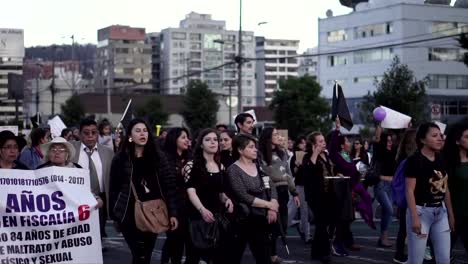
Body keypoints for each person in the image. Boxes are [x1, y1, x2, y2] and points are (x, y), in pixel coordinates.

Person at [109, 118, 179, 264]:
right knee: (138, 255)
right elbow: (113, 188)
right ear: (130, 136)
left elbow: (169, 187)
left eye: (145, 130)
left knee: (146, 256)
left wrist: (173, 213)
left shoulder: (158, 157)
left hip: (153, 212)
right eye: (138, 131)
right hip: (128, 215)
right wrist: (115, 216)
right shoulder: (120, 159)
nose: (142, 134)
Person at [405, 122, 454, 264]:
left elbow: (445, 188)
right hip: (421, 212)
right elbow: (409, 190)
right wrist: (414, 217)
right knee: (416, 260)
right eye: (434, 135)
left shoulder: (442, 159)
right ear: (422, 140)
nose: (440, 138)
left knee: (444, 259)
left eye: (440, 135)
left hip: (441, 213)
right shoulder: (414, 160)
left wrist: (450, 215)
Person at [182, 128, 233, 264]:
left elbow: (221, 193)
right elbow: (190, 191)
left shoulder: (220, 166)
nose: (213, 142)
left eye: (215, 140)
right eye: (208, 140)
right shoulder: (192, 165)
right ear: (201, 144)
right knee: (193, 257)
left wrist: (227, 200)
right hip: (196, 217)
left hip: (216, 218)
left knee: (217, 257)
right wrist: (202, 209)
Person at [227, 133, 279, 264]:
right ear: (240, 150)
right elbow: (243, 196)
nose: (255, 149)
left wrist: (273, 204)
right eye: (251, 147)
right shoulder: (233, 170)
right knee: (234, 257)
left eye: (255, 147)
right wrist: (269, 205)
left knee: (264, 258)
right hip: (242, 220)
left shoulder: (258, 166)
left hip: (260, 219)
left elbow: (270, 186)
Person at [328, 118, 375, 256]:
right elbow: (331, 147)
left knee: (348, 219)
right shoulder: (337, 155)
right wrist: (337, 129)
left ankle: (345, 242)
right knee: (344, 219)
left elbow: (353, 172)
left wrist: (361, 172)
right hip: (341, 192)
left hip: (351, 191)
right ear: (342, 145)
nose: (350, 143)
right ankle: (337, 244)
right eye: (347, 141)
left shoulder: (346, 156)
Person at [259, 127, 300, 264]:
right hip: (271, 192)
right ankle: (271, 256)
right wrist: (270, 196)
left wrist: (294, 192)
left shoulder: (282, 153)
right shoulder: (261, 154)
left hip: (284, 193)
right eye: (275, 134)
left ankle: (272, 255)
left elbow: (288, 174)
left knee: (282, 225)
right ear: (268, 137)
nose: (278, 136)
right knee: (272, 226)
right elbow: (264, 175)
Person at [71, 119, 114, 242]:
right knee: (77, 233)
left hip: (100, 200)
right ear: (79, 134)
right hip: (76, 199)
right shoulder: (71, 149)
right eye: (86, 133)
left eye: (93, 132)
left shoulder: (108, 152)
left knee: (97, 233)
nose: (90, 136)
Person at [303, 132, 338, 263]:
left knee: (322, 224)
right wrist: (315, 153)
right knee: (321, 224)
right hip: (315, 196)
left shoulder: (326, 155)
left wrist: (338, 173)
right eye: (320, 141)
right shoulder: (308, 157)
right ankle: (324, 253)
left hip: (328, 194)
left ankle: (316, 252)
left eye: (324, 141)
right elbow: (309, 171)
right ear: (313, 144)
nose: (323, 143)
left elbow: (331, 170)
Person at [161, 127, 191, 264]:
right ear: (174, 139)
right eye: (183, 137)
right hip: (172, 206)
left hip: (188, 207)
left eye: (187, 137)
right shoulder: (165, 158)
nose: (187, 140)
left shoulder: (189, 157)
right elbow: (169, 186)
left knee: (183, 241)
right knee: (175, 241)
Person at [393, 128, 417, 264]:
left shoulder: (401, 155)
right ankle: (401, 253)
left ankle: (399, 253)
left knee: (403, 228)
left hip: (402, 198)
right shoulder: (411, 159)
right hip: (410, 197)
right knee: (407, 228)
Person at [444, 121, 468, 256]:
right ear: (457, 141)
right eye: (467, 137)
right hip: (454, 215)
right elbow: (446, 191)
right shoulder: (448, 163)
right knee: (443, 254)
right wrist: (451, 215)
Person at [373, 126, 398, 247]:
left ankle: (383, 238)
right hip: (381, 185)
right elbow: (377, 138)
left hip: (391, 186)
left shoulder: (393, 152)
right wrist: (379, 124)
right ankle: (383, 238)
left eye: (391, 141)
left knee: (386, 212)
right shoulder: (379, 151)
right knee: (389, 210)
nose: (390, 143)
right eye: (387, 141)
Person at [287, 136, 311, 243]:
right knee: (295, 211)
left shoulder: (308, 155)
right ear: (297, 145)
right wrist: (298, 166)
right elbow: (294, 173)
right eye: (302, 143)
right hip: (299, 186)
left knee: (305, 211)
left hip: (307, 185)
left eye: (305, 143)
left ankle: (306, 233)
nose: (304, 145)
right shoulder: (295, 157)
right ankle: (305, 233)